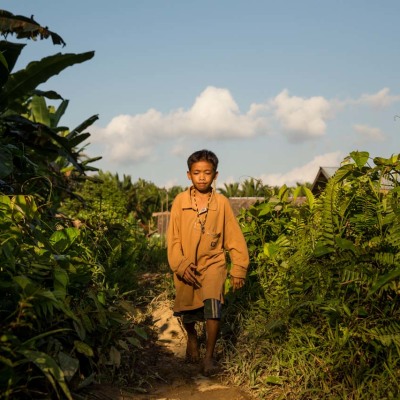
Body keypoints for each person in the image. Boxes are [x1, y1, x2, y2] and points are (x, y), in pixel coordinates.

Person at [167, 149, 249, 376]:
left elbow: (234, 236)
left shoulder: (221, 203)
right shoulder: (180, 202)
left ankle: (209, 357)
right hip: (187, 265)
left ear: (215, 175)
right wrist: (181, 265)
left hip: (213, 263)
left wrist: (239, 268)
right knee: (188, 311)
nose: (202, 177)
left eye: (207, 172)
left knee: (213, 307)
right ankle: (192, 338)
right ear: (188, 175)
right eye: (196, 173)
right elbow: (172, 239)